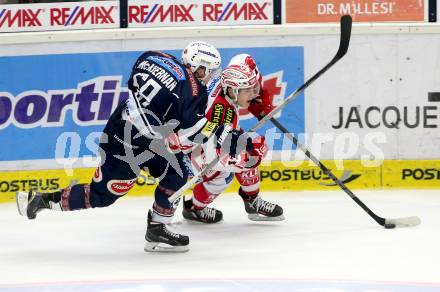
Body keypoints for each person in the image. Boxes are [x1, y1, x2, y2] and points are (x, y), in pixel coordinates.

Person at [16, 41, 250, 253]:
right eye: (210, 71)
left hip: (133, 130)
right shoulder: (193, 92)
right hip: (125, 143)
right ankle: (41, 199)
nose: (210, 77)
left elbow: (142, 74)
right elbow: (197, 131)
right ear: (200, 67)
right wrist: (226, 134)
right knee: (102, 196)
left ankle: (158, 228)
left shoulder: (156, 56)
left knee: (178, 173)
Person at [181, 59, 284, 224]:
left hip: (204, 136)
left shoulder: (226, 80)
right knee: (223, 175)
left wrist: (260, 102)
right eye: (248, 91)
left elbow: (245, 59)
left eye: (253, 89)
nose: (253, 94)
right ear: (233, 91)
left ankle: (252, 199)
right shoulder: (221, 112)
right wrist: (248, 160)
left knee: (251, 146)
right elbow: (215, 158)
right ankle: (194, 209)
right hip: (190, 152)